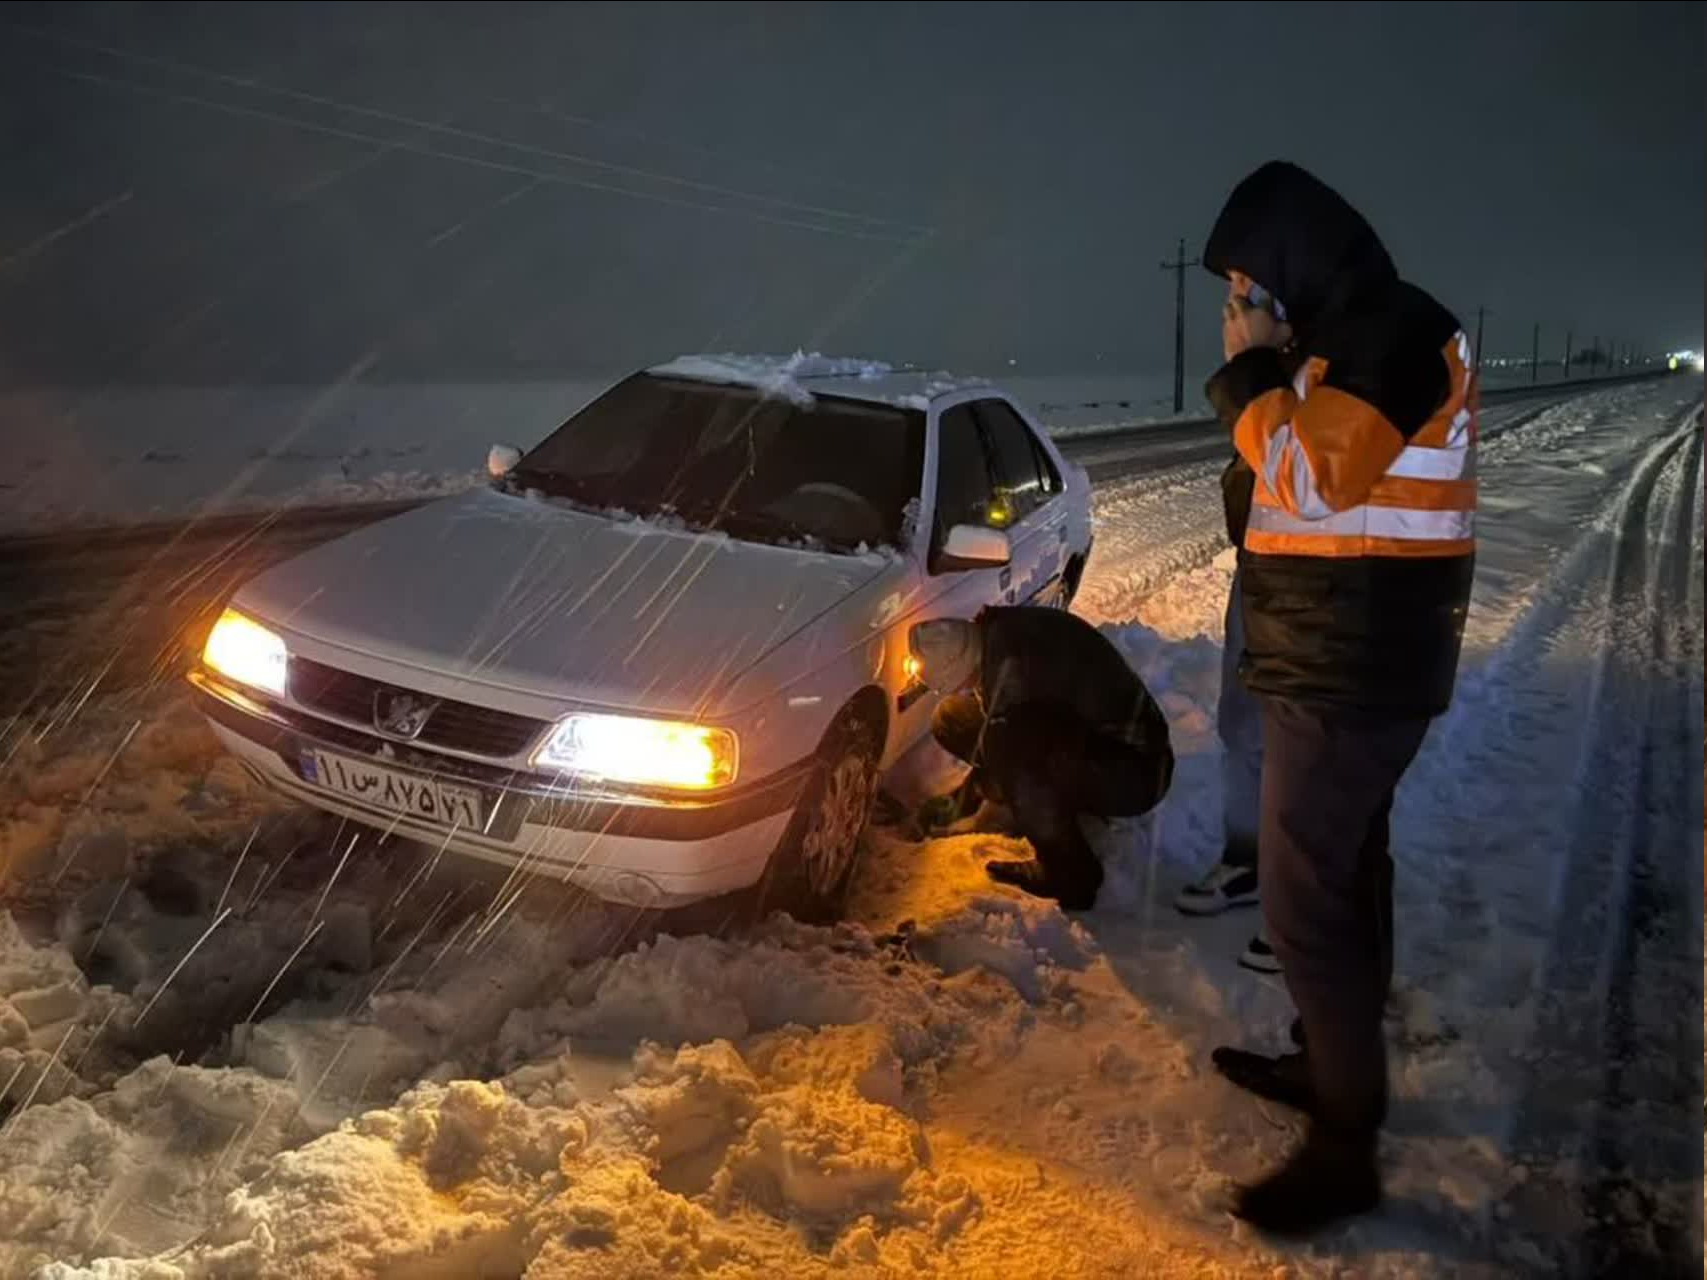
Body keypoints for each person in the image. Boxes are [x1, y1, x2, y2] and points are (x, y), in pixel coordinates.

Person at [1197, 161, 1477, 1234]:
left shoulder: (1394, 334)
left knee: (1302, 902)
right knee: (1345, 875)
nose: (1236, 305)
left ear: (1293, 262)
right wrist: (1271, 377)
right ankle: (1329, 1064)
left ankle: (1344, 1144)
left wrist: (1249, 376)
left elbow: (1315, 479)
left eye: (1245, 284)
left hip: (1355, 667)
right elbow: (1275, 498)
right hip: (1337, 656)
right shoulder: (1338, 346)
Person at [910, 606, 1174, 911]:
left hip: (1135, 771)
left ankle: (1070, 875)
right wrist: (960, 803)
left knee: (1014, 758)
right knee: (951, 716)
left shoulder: (1015, 673)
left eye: (959, 684)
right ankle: (1038, 807)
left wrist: (983, 795)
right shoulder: (997, 635)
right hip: (1087, 737)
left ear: (963, 667)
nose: (963, 690)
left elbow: (1008, 746)